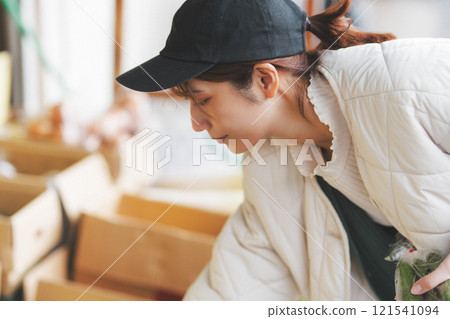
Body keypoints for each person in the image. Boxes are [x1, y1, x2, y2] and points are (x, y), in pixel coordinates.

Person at [117, 0, 450, 301]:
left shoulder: (401, 83)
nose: (196, 123)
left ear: (265, 80)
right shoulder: (267, 174)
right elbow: (230, 290)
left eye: (203, 100)